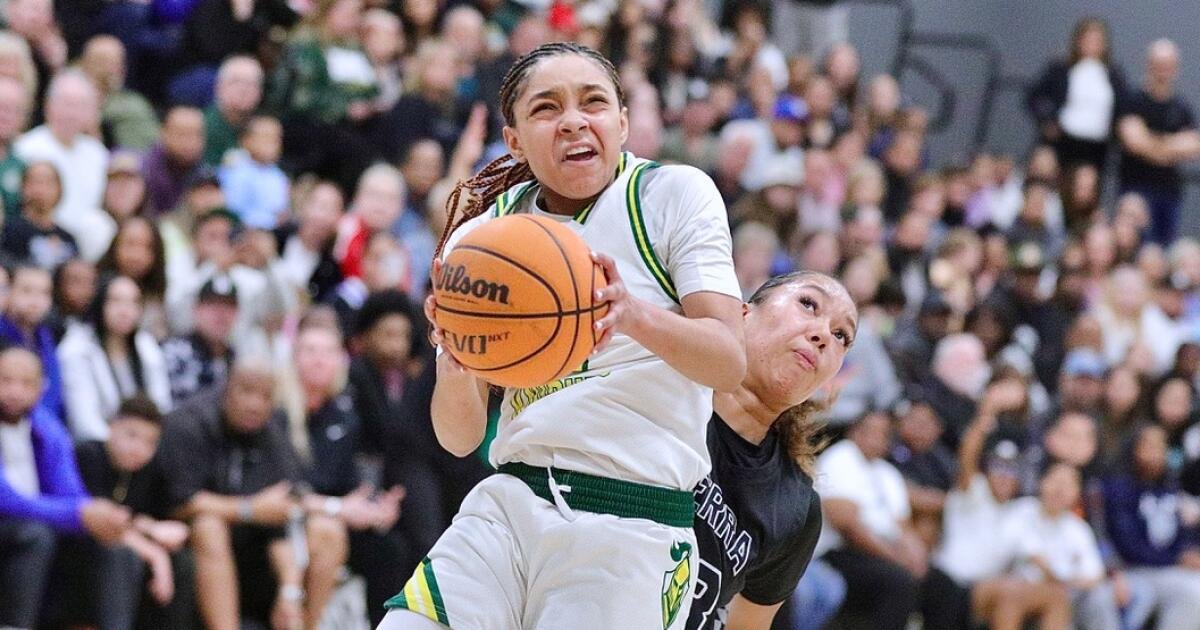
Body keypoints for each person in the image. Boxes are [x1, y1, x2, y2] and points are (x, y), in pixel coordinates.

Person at [380, 42, 745, 629]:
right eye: (547, 108)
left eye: (594, 102)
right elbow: (458, 437)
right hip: (510, 501)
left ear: (622, 123)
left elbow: (729, 360)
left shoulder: (671, 196)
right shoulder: (482, 237)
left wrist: (631, 314)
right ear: (515, 138)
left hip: (632, 519)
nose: (574, 120)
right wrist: (454, 358)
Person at [689, 271, 855, 629]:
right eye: (808, 304)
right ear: (744, 312)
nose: (824, 335)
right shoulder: (664, 386)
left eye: (842, 335)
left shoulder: (796, 507)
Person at [158, 359, 345, 630]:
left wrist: (290, 591)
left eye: (265, 396)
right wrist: (248, 509)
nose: (255, 404)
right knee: (209, 527)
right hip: (196, 548)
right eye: (246, 392)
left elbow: (284, 511)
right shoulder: (187, 424)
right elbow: (180, 502)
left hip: (258, 549)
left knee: (328, 532)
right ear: (226, 389)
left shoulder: (272, 429)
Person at [0, 347, 131, 628]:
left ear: (42, 389)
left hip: (38, 523)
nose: (14, 391)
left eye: (25, 383)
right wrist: (80, 513)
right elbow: (6, 499)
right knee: (36, 535)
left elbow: (71, 493)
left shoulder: (48, 427)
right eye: (5, 380)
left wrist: (95, 516)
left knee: (109, 543)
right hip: (12, 525)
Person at [63, 396, 194, 629]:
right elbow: (103, 524)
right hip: (77, 552)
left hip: (126, 552)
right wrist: (155, 553)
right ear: (112, 427)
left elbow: (147, 518)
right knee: (121, 555)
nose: (139, 449)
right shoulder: (89, 455)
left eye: (150, 442)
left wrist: (152, 531)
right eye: (131, 435)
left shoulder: (151, 472)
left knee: (182, 561)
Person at [1103, 423, 1200, 630]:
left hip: (1166, 569)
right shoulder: (1119, 488)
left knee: (1195, 590)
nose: (1155, 453)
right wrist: (1176, 558)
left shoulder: (1171, 487)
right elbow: (1127, 546)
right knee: (1140, 598)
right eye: (1147, 446)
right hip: (1129, 569)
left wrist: (1187, 554)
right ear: (1133, 449)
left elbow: (1182, 535)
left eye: (1160, 446)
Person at [57, 275, 172, 442]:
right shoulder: (76, 349)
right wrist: (123, 446)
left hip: (145, 447)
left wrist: (146, 444)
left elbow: (161, 405)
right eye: (116, 301)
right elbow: (85, 422)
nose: (125, 310)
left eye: (133, 302)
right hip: (97, 448)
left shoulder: (146, 345)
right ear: (100, 303)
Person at [1116, 39, 1200, 246]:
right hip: (1135, 188)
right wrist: (1171, 146)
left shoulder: (1182, 107)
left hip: (1169, 192)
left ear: (1176, 68)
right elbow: (1134, 141)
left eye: (1168, 65)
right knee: (1131, 246)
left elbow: (1194, 145)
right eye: (1158, 64)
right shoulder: (1132, 100)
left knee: (1164, 251)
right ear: (1148, 65)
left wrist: (1151, 142)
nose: (1163, 70)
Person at [1027, 17, 1126, 173]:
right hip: (1062, 141)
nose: (1092, 45)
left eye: (1097, 41)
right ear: (1078, 40)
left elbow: (1122, 107)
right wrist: (1047, 121)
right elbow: (1033, 97)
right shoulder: (1060, 68)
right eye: (1088, 40)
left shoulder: (1114, 75)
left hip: (1096, 147)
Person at [161, 275, 238, 404]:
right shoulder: (172, 353)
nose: (220, 313)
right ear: (195, 309)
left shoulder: (237, 360)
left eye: (228, 306)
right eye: (212, 304)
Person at [0, 264, 63, 419]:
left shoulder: (46, 336)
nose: (35, 300)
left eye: (44, 293)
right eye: (26, 290)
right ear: (9, 292)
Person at [219, 115, 289, 230]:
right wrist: (272, 221)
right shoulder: (236, 169)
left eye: (276, 138)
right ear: (246, 140)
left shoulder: (279, 176)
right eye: (266, 137)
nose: (272, 143)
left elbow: (281, 211)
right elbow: (234, 211)